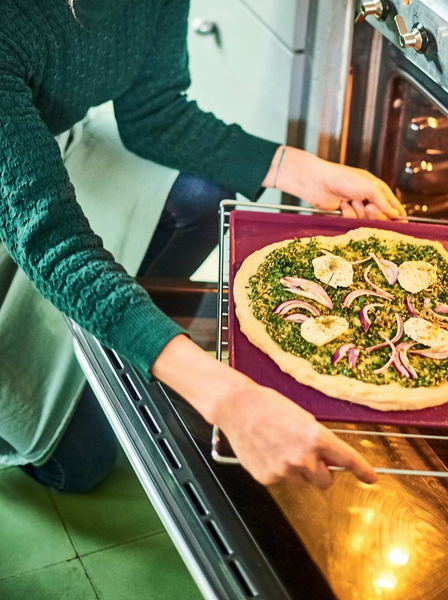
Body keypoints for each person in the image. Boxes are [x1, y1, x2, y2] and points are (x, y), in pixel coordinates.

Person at [0, 0, 404, 493]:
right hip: (19, 171)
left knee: (203, 196)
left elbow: (155, 113)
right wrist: (229, 399)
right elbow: (53, 242)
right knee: (76, 466)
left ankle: (117, 348)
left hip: (40, 139)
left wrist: (302, 171)